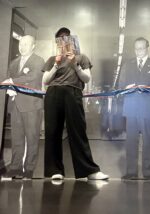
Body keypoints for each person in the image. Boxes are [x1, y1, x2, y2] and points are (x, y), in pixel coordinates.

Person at [42, 27, 108, 180]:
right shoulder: (52, 59)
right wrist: (56, 65)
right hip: (53, 93)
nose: (64, 40)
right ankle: (54, 170)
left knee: (78, 131)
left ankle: (89, 171)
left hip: (73, 92)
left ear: (72, 40)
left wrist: (75, 64)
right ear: (57, 43)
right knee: (52, 132)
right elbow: (45, 81)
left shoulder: (81, 57)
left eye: (66, 37)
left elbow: (86, 79)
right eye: (60, 38)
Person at [118, 37, 150, 180]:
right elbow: (120, 86)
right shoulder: (127, 64)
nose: (138, 51)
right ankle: (131, 172)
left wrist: (147, 88)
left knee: (148, 141)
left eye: (141, 48)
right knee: (131, 141)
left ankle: (148, 173)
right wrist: (126, 88)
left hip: (148, 109)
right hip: (131, 108)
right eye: (136, 48)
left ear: (147, 48)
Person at [2, 35, 44, 179]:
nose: (22, 46)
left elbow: (33, 77)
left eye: (26, 44)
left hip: (32, 105)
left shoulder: (39, 61)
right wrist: (10, 84)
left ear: (33, 46)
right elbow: (8, 80)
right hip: (16, 105)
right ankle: (15, 167)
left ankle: (29, 168)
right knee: (16, 138)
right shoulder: (13, 63)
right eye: (20, 44)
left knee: (32, 138)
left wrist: (12, 81)